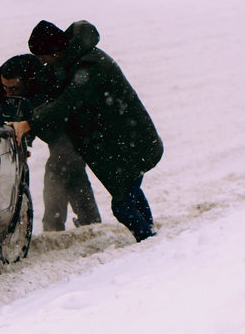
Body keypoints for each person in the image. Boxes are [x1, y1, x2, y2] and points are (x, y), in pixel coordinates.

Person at [11, 20, 162, 242]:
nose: (44, 63)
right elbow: (50, 88)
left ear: (55, 51)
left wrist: (30, 123)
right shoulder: (73, 61)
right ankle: (151, 235)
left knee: (122, 205)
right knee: (129, 191)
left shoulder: (90, 66)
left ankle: (148, 241)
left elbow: (67, 101)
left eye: (44, 58)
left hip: (133, 142)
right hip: (125, 142)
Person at [0, 53, 102, 232]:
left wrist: (29, 128)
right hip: (56, 132)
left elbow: (46, 116)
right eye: (4, 87)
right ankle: (91, 223)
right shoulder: (6, 79)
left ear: (28, 82)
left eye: (14, 88)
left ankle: (53, 228)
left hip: (72, 130)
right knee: (74, 175)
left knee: (58, 171)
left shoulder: (46, 85)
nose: (8, 93)